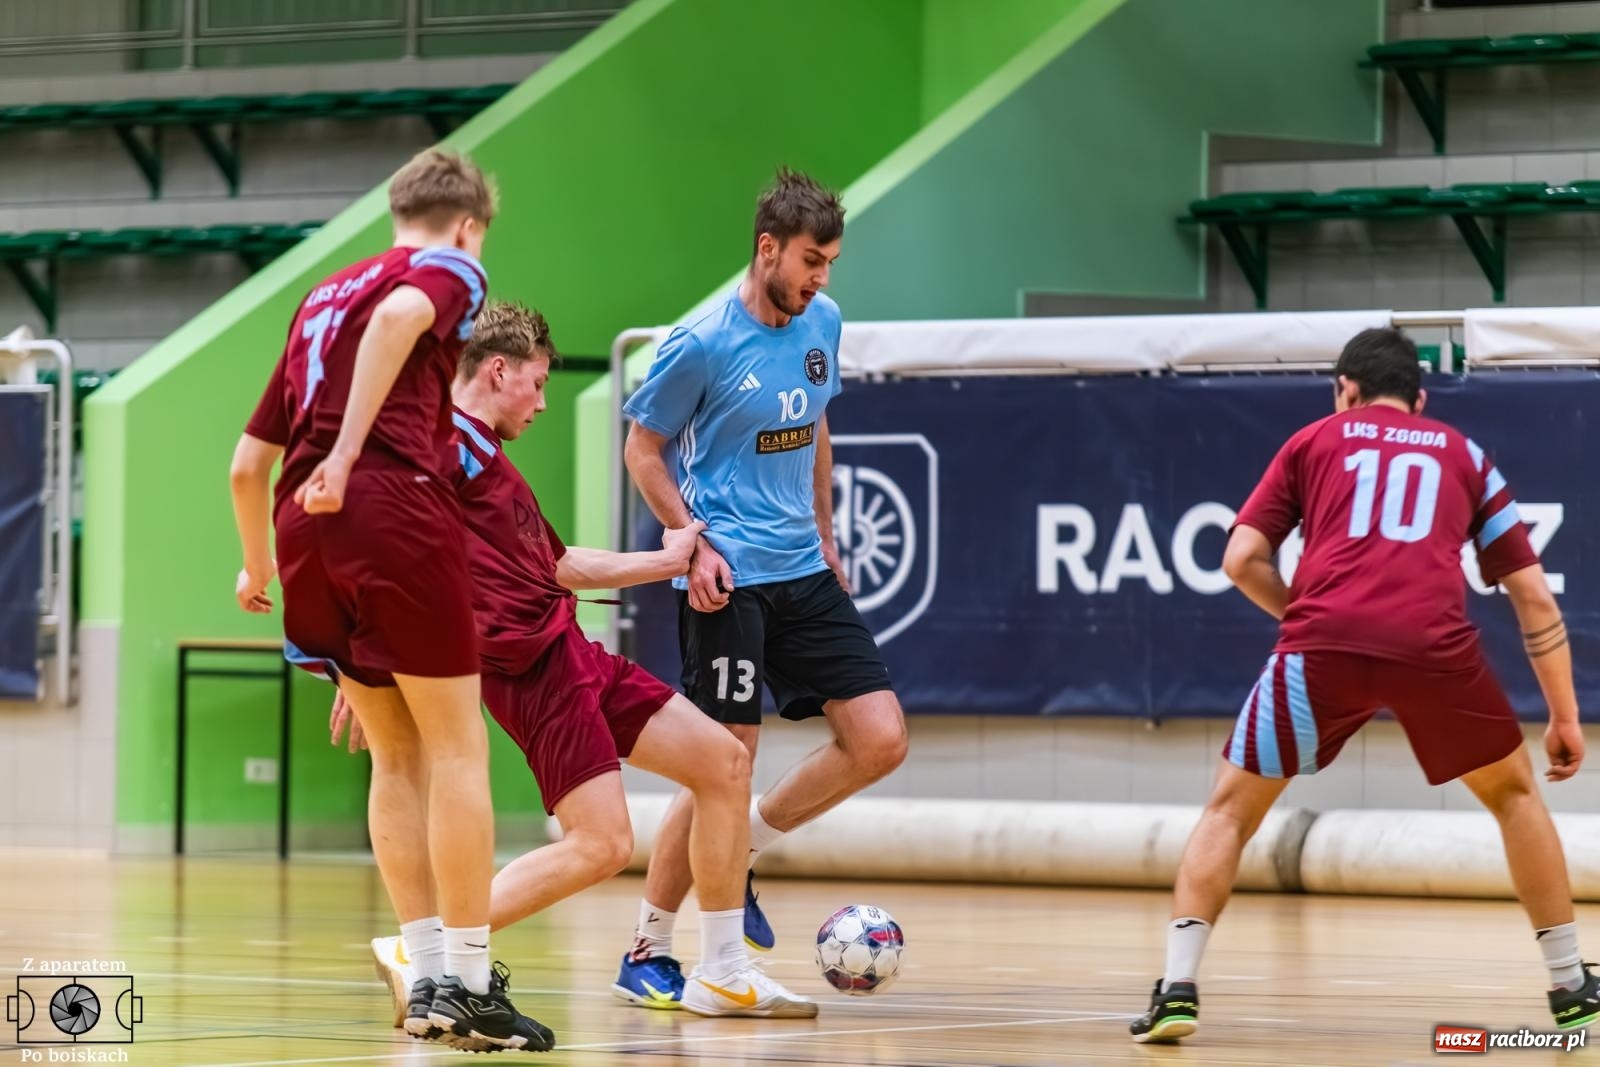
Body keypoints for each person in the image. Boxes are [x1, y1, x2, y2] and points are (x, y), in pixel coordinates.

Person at [1130, 327, 1599, 1044]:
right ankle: (1571, 986)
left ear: (1343, 387)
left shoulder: (1313, 440)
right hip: (1433, 647)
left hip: (1318, 648)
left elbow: (1239, 558)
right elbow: (1533, 597)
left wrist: (1311, 616)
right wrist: (1566, 717)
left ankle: (1179, 989)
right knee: (1514, 796)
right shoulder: (1466, 455)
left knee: (1229, 810)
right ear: (1420, 397)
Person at [350, 301, 816, 1020]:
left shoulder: (488, 461)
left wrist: (664, 557)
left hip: (572, 650)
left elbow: (562, 565)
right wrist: (368, 661)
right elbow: (387, 550)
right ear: (498, 370)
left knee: (723, 763)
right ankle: (431, 949)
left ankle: (723, 970)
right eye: (535, 385)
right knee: (602, 842)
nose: (540, 403)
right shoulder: (442, 451)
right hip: (531, 668)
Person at [229, 150, 550, 1052]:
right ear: (468, 222)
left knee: (394, 753)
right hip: (391, 506)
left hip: (303, 531)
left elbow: (247, 462)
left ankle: (426, 974)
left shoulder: (319, 298)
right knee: (457, 745)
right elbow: (406, 316)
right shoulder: (443, 266)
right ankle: (473, 985)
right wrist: (349, 454)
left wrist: (256, 565)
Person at [617, 167, 909, 988]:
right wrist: (690, 541)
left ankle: (738, 848)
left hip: (804, 570)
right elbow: (643, 449)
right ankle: (646, 948)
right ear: (767, 247)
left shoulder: (824, 321)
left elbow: (815, 425)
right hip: (728, 578)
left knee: (880, 738)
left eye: (832, 264)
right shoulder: (700, 340)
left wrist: (825, 528)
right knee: (722, 762)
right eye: (812, 260)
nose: (822, 278)